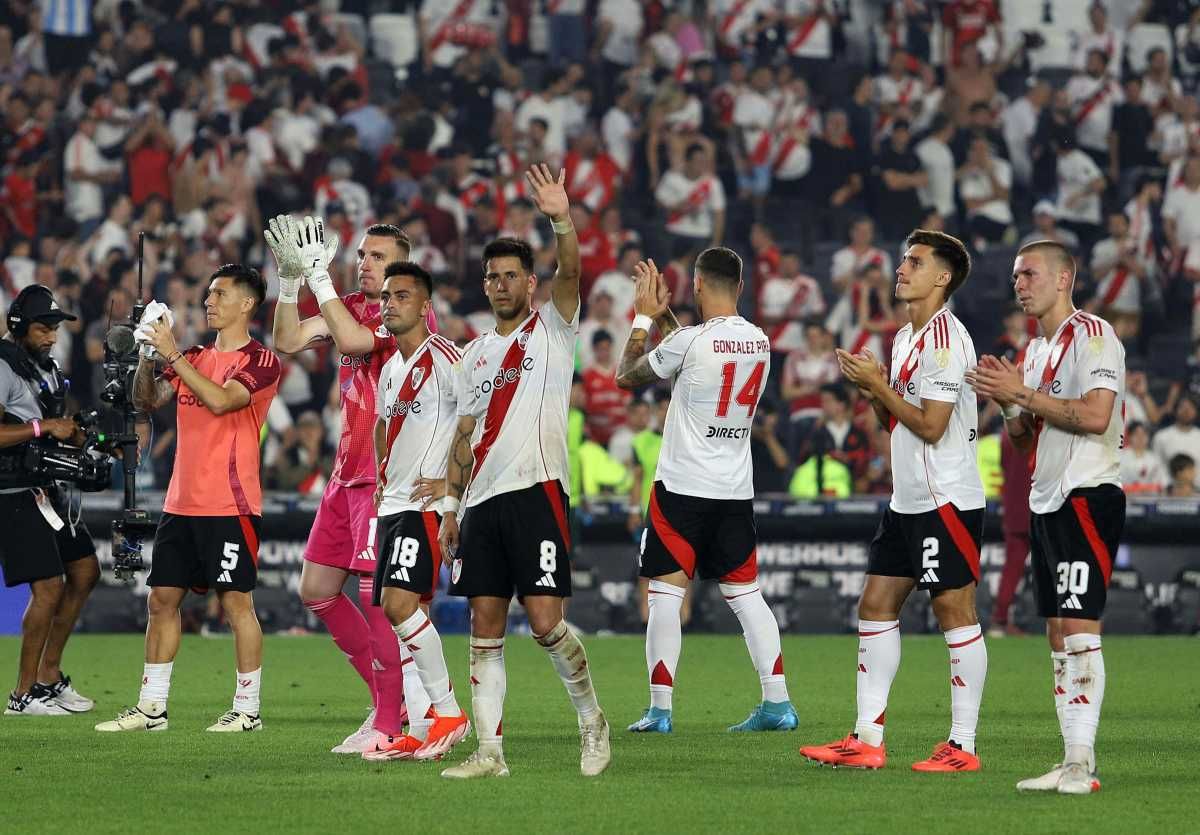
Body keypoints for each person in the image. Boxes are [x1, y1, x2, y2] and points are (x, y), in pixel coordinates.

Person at [437, 165, 611, 779]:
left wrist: (561, 218)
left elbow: (574, 270)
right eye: (494, 276)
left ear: (531, 283)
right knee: (484, 628)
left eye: (513, 275)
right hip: (480, 504)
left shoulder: (553, 330)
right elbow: (464, 436)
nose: (502, 283)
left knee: (544, 623)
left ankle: (592, 721)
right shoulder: (472, 355)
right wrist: (451, 509)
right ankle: (490, 753)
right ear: (484, 285)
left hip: (537, 492)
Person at [802, 229, 987, 773]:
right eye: (903, 259)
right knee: (876, 606)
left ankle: (963, 745)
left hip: (945, 497)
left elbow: (932, 426)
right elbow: (895, 421)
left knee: (954, 611)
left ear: (943, 277)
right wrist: (875, 389)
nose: (901, 269)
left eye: (915, 261)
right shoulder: (907, 336)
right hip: (906, 499)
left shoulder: (947, 340)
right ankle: (866, 739)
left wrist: (878, 387)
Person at [615, 248, 798, 735]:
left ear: (696, 285)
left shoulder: (691, 341)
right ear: (740, 287)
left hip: (681, 488)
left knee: (664, 596)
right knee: (746, 596)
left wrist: (642, 317)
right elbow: (696, 351)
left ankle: (659, 710)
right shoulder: (759, 340)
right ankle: (778, 704)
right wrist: (666, 318)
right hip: (734, 490)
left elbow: (627, 376)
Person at [967, 240, 1126, 795]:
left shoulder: (1095, 334)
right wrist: (1009, 403)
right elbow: (1023, 439)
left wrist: (1024, 394)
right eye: (1015, 276)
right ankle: (1069, 757)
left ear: (1064, 278)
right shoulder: (1034, 351)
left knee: (1080, 627)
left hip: (1088, 493)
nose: (1019, 283)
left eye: (1029, 274)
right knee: (1057, 632)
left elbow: (1096, 414)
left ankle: (1083, 762)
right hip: (1047, 499)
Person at [96, 265, 281, 733]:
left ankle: (248, 710)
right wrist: (145, 354)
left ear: (247, 304)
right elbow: (146, 400)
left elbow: (221, 401)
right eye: (208, 293)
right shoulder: (195, 356)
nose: (209, 301)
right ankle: (152, 707)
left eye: (220, 293)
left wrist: (172, 354)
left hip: (230, 504)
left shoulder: (261, 361)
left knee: (236, 603)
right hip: (182, 501)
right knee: (161, 600)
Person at [267, 216, 425, 753]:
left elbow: (356, 340)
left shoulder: (403, 315)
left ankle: (388, 721)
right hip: (343, 474)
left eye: (377, 257)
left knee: (374, 595)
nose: (364, 263)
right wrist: (291, 280)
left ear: (401, 269)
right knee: (315, 591)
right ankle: (394, 701)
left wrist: (319, 280)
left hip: (383, 478)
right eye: (361, 254)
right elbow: (287, 339)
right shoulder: (349, 308)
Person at [363, 262, 470, 762]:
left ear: (425, 306)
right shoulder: (389, 370)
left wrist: (452, 493)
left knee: (398, 605)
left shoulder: (446, 358)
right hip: (395, 504)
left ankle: (449, 712)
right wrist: (385, 478)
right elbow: (383, 428)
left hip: (424, 508)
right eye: (386, 296)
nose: (390, 304)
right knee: (407, 613)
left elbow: (474, 424)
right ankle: (428, 722)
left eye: (402, 296)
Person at [0, 286, 98, 716]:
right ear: (19, 326)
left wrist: (79, 435)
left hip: (45, 487)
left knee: (85, 570)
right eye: (43, 328)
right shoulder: (2, 365)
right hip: (12, 490)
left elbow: (58, 423)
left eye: (55, 328)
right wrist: (45, 429)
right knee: (47, 589)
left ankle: (49, 677)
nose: (51, 336)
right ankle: (22, 697)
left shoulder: (47, 367)